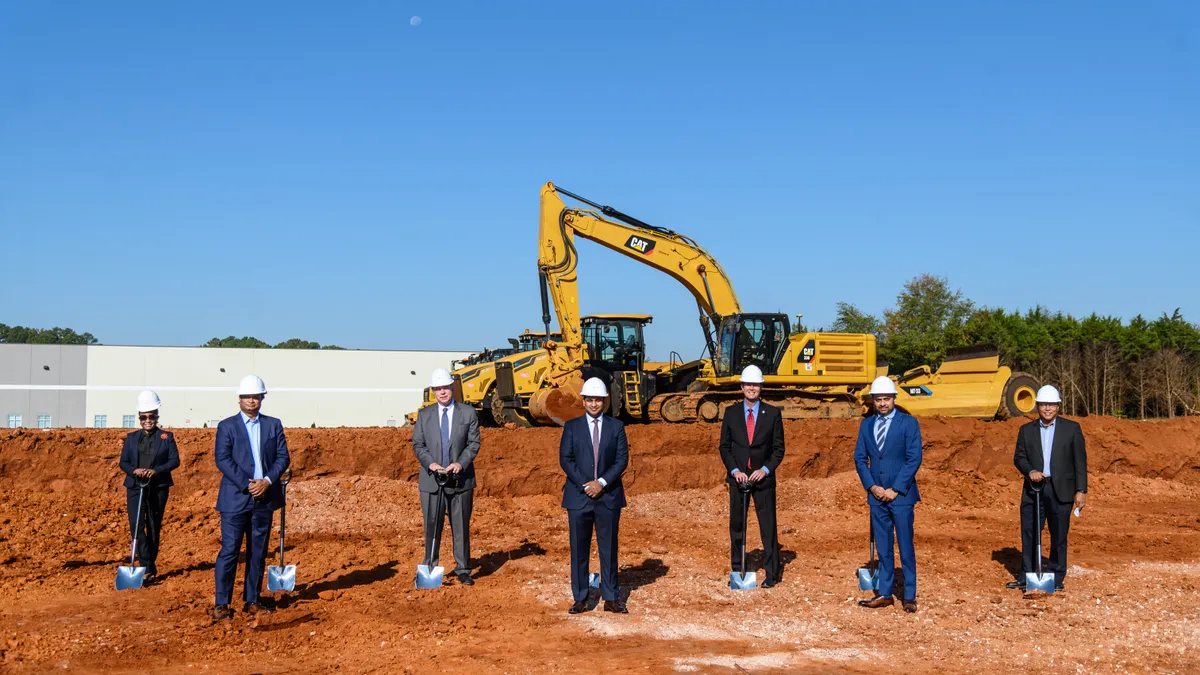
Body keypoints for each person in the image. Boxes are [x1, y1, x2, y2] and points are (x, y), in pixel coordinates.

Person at [211, 375, 290, 621]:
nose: (251, 401)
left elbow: (282, 457)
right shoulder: (227, 426)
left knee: (258, 551)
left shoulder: (273, 425)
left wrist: (266, 481)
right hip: (236, 498)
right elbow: (223, 459)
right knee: (230, 551)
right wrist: (248, 485)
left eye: (256, 396)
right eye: (247, 396)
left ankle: (252, 600)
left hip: (264, 498)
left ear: (262, 398)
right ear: (239, 399)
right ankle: (222, 603)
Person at [1008, 384, 1088, 592]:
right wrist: (1030, 471)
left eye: (1051, 404)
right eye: (1043, 404)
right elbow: (1019, 457)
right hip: (1033, 489)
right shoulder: (1026, 430)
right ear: (1038, 406)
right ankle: (1027, 575)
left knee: (1059, 534)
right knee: (1030, 532)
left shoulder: (1072, 429)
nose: (1047, 408)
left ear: (1058, 406)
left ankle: (1056, 576)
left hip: (1060, 490)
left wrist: (1081, 490)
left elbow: (1080, 462)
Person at [560, 377, 629, 614]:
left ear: (604, 401)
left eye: (598, 399)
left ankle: (610, 597)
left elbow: (622, 460)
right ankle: (581, 598)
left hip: (608, 496)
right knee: (579, 548)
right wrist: (585, 484)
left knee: (608, 548)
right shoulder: (572, 427)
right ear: (583, 400)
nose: (593, 403)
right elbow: (565, 460)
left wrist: (601, 483)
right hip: (579, 497)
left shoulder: (616, 427)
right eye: (589, 399)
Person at [854, 376, 923, 613]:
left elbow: (914, 458)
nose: (882, 403)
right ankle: (885, 593)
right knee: (883, 547)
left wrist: (895, 489)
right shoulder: (866, 425)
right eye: (878, 399)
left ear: (894, 398)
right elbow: (860, 458)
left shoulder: (909, 423)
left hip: (901, 496)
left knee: (905, 545)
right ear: (873, 401)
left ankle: (909, 595)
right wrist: (872, 486)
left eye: (886, 399)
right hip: (876, 496)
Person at [411, 368, 482, 586]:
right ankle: (430, 566)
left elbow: (473, 444)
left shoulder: (468, 413)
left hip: (460, 480)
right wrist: (429, 463)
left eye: (446, 388)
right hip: (432, 480)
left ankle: (463, 569)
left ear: (452, 388)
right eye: (438, 389)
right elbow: (418, 444)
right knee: (432, 525)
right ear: (433, 391)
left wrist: (460, 464)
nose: (443, 392)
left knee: (460, 526)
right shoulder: (424, 415)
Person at [718, 364, 786, 588]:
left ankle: (772, 573)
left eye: (755, 384)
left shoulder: (773, 414)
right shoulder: (731, 413)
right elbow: (724, 447)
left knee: (768, 527)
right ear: (742, 387)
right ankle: (738, 570)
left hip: (763, 480)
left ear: (761, 387)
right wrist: (735, 471)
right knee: (737, 526)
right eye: (748, 384)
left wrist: (764, 470)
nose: (751, 388)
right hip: (739, 479)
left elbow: (778, 449)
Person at [117, 390, 180, 583]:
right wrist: (134, 471)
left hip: (158, 486)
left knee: (153, 526)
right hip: (135, 486)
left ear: (157, 416)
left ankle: (148, 565)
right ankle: (146, 564)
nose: (148, 420)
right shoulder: (131, 438)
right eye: (144, 417)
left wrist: (156, 471)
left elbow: (174, 461)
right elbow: (123, 462)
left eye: (151, 416)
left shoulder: (166, 437)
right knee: (136, 525)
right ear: (139, 417)